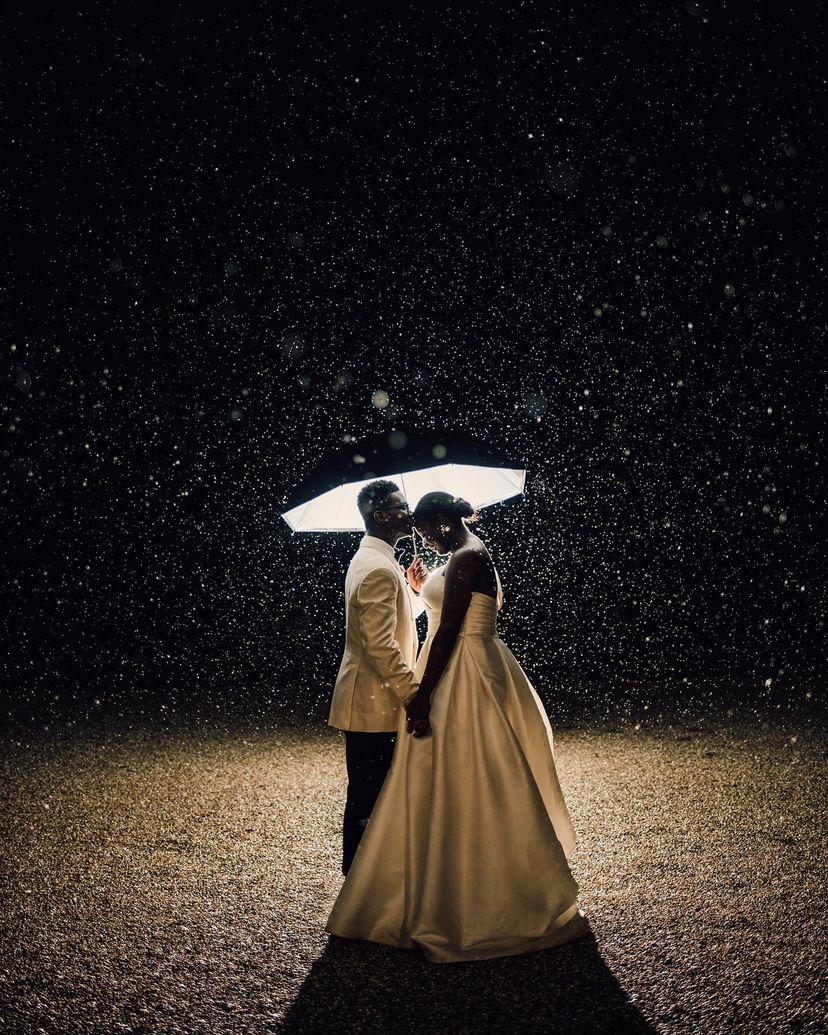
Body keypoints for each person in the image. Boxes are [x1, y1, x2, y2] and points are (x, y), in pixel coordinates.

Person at [326, 490, 589, 963]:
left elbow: (449, 629)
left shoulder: (466, 558)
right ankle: (407, 877)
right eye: (413, 525)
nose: (421, 536)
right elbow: (431, 619)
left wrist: (422, 694)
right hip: (457, 665)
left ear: (445, 523)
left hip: (464, 669)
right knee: (419, 778)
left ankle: (445, 884)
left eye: (426, 528)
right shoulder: (448, 556)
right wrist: (422, 590)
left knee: (463, 767)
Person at [327, 479, 428, 875]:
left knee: (369, 794)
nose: (411, 511)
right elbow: (380, 646)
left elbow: (391, 624)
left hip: (371, 699)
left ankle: (366, 879)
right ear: (382, 516)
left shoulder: (376, 561)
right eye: (403, 506)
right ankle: (359, 881)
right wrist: (414, 694)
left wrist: (414, 593)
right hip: (373, 702)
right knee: (369, 797)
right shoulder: (377, 569)